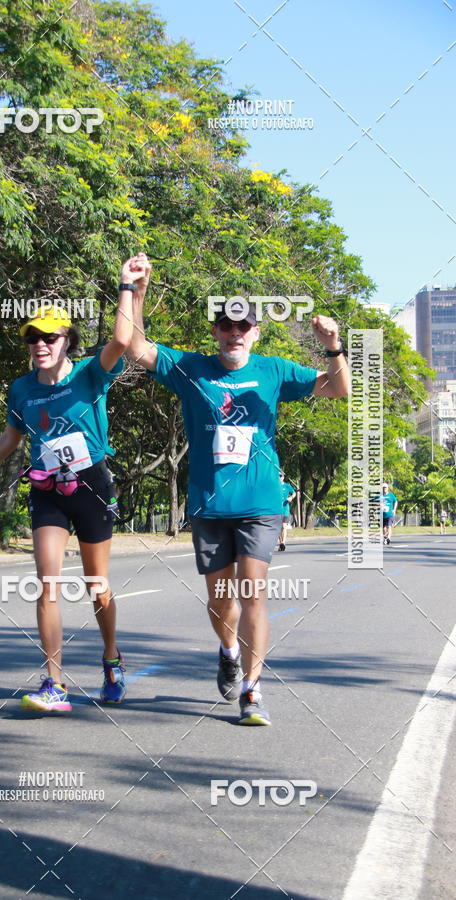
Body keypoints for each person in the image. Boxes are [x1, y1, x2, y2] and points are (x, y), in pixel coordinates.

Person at [127, 255, 350, 725]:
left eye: (243, 327)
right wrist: (136, 290)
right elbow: (133, 345)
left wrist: (333, 346)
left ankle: (252, 689)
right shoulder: (191, 369)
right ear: (216, 332)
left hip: (260, 503)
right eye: (226, 327)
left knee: (252, 594)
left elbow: (340, 390)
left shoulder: (274, 371)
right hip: (209, 504)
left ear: (255, 332)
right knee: (220, 599)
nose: (234, 335)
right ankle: (227, 649)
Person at [0, 256, 148, 712]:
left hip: (91, 484)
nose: (41, 344)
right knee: (46, 583)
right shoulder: (21, 388)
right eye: (33, 338)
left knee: (96, 584)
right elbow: (11, 438)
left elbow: (123, 339)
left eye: (50, 337)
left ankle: (111, 659)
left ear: (67, 342)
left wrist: (128, 285)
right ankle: (54, 684)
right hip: (46, 487)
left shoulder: (90, 374)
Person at [277, 471, 296, 551]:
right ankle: (280, 543)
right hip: (276, 510)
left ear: (283, 477)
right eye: (277, 476)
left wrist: (291, 498)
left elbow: (294, 493)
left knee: (284, 526)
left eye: (280, 476)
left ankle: (283, 543)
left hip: (285, 509)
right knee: (278, 528)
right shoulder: (274, 486)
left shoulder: (287, 486)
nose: (279, 477)